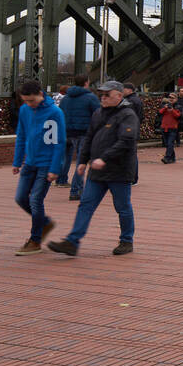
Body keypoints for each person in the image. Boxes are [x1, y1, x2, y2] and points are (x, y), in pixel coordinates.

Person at [49, 80, 138, 256]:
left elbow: (126, 141)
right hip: (97, 170)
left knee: (122, 207)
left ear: (119, 96)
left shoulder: (128, 115)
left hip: (119, 171)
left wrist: (104, 158)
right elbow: (89, 137)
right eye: (101, 95)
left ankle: (126, 241)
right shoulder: (98, 113)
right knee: (86, 204)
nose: (103, 98)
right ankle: (72, 242)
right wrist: (82, 161)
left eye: (107, 95)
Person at [11, 79, 66, 256]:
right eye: (25, 101)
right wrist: (17, 161)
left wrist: (55, 168)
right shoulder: (25, 110)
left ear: (41, 95)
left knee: (35, 200)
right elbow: (21, 136)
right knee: (20, 198)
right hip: (30, 162)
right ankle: (44, 222)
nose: (29, 104)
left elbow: (59, 142)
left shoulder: (55, 112)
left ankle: (35, 240)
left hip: (46, 164)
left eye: (32, 100)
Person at [59, 75, 101, 199]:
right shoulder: (90, 97)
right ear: (86, 83)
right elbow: (99, 114)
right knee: (81, 162)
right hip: (83, 132)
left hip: (67, 132)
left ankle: (61, 179)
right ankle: (76, 190)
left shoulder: (65, 98)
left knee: (66, 158)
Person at [159, 95, 181, 163]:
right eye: (170, 98)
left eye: (172, 98)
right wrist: (165, 108)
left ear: (176, 99)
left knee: (170, 143)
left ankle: (167, 157)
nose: (171, 99)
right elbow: (160, 112)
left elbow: (178, 116)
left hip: (173, 128)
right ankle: (173, 158)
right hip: (164, 127)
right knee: (168, 144)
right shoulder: (165, 105)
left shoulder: (178, 106)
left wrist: (172, 110)